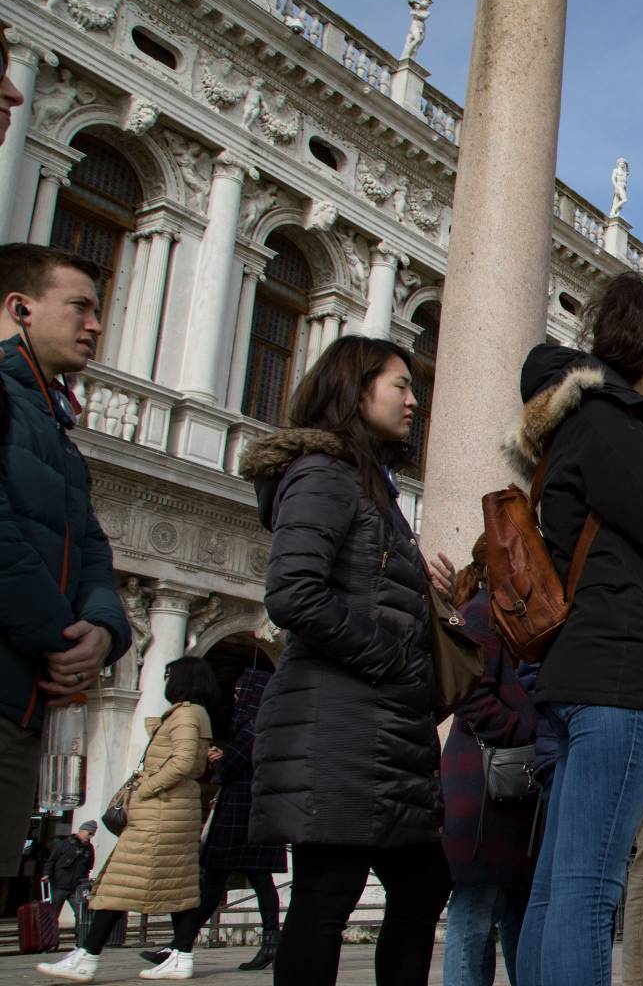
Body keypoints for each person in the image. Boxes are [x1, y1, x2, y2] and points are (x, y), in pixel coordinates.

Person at [510, 275, 643, 986]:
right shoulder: (612, 424)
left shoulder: (583, 426)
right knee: (592, 889)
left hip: (584, 672)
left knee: (558, 887)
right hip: (621, 673)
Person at [236, 335, 451, 986]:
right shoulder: (323, 473)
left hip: (376, 731)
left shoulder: (367, 485)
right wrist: (393, 660)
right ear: (356, 391)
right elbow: (293, 593)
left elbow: (367, 586)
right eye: (400, 386)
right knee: (329, 897)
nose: (415, 401)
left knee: (419, 886)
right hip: (339, 728)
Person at [1, 244, 132, 883]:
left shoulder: (57, 433)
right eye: (79, 306)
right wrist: (62, 641)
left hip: (24, 700)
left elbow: (92, 551)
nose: (95, 325)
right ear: (20, 308)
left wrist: (103, 631)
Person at [36, 658, 218, 983]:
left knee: (121, 882)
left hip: (161, 812)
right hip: (169, 811)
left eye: (169, 674)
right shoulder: (190, 713)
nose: (166, 679)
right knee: (178, 888)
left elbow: (186, 761)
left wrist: (145, 789)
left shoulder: (187, 714)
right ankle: (180, 955)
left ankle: (87, 955)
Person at [436, 540, 540, 986]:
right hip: (481, 786)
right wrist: (524, 732)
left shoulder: (505, 619)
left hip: (505, 782)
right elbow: (470, 692)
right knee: (475, 906)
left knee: (515, 904)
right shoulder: (480, 615)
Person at [145, 668, 285, 972]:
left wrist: (220, 760)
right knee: (258, 880)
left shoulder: (252, 727)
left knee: (215, 881)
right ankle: (269, 941)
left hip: (240, 811)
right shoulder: (271, 725)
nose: (235, 697)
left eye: (239, 692)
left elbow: (234, 765)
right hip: (258, 810)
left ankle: (181, 943)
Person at [43, 821, 96, 938]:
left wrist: (84, 881)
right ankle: (50, 938)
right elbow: (51, 860)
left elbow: (89, 866)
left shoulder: (89, 848)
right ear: (81, 831)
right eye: (90, 833)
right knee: (53, 913)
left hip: (76, 886)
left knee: (80, 913)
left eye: (93, 834)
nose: (91, 836)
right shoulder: (64, 844)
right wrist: (47, 874)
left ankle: (80, 937)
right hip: (59, 885)